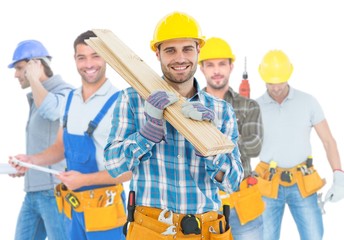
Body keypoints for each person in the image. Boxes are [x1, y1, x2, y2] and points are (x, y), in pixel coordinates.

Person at [104, 11, 243, 240]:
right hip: (151, 229)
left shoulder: (220, 111)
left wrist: (209, 143)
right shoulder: (131, 100)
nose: (180, 58)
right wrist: (146, 135)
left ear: (199, 50)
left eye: (187, 49)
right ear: (157, 53)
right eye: (170, 50)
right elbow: (113, 165)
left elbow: (232, 183)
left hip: (205, 230)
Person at [10, 30, 132, 240]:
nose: (88, 64)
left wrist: (84, 180)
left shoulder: (121, 103)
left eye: (96, 56)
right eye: (82, 57)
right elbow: (60, 147)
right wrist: (31, 160)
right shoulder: (70, 99)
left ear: (107, 59)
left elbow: (129, 171)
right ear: (74, 59)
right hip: (73, 209)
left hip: (105, 212)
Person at [255, 49, 344, 240]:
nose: (277, 88)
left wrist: (339, 175)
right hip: (268, 182)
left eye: (281, 82)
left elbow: (328, 141)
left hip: (302, 181)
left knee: (313, 236)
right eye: (271, 83)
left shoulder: (308, 102)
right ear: (263, 77)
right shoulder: (254, 107)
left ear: (289, 75)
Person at [8, 39, 74, 240]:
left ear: (36, 65)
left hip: (54, 192)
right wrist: (25, 165)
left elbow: (52, 110)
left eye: (20, 68)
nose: (16, 74)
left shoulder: (66, 92)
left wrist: (35, 79)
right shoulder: (37, 97)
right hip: (33, 192)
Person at [199, 37, 264, 240]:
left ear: (231, 66)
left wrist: (209, 143)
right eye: (210, 65)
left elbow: (254, 146)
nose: (216, 70)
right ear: (201, 68)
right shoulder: (188, 107)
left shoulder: (249, 106)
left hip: (242, 203)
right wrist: (233, 140)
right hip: (203, 205)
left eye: (221, 64)